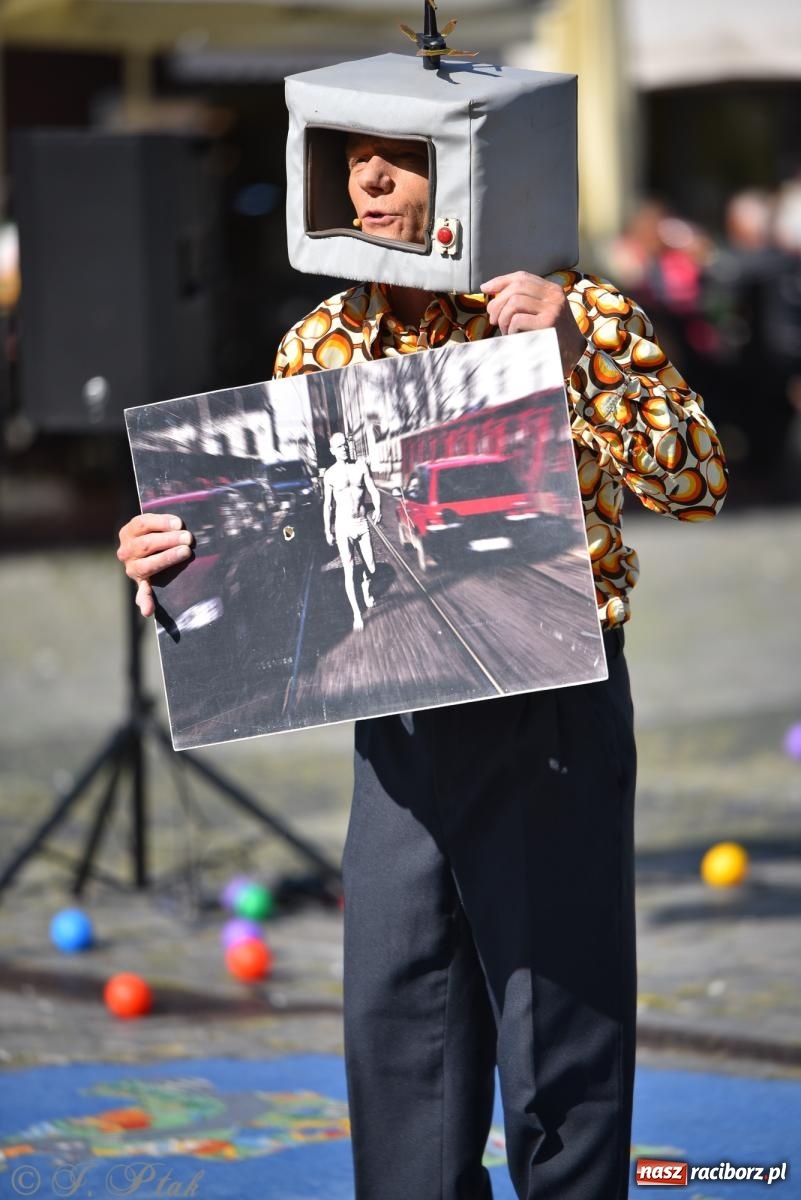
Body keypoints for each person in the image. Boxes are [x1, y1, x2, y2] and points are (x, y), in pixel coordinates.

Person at [118, 127, 727, 1200]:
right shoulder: (315, 344)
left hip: (551, 709)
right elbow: (275, 552)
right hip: (395, 730)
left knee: (561, 1044)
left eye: (400, 156)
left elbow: (698, 480)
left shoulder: (570, 303)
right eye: (354, 158)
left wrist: (582, 356)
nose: (371, 179)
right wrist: (170, 566)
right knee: (399, 1031)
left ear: (465, 175)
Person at [323, 430, 382, 631]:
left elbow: (373, 489)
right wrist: (327, 530)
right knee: (348, 570)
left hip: (361, 523)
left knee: (371, 567)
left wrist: (379, 507)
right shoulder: (330, 474)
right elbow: (327, 505)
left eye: (345, 444)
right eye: (339, 446)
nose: (344, 448)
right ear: (332, 451)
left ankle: (366, 587)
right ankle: (357, 614)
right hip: (342, 526)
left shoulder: (360, 466)